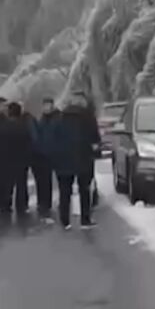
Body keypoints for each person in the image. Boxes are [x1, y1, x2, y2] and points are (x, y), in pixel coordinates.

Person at [52, 92, 101, 230]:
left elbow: (54, 139)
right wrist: (95, 153)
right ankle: (85, 219)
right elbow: (95, 140)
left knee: (64, 191)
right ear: (83, 102)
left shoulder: (60, 118)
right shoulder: (88, 117)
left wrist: (55, 158)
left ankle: (65, 220)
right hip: (84, 159)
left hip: (63, 160)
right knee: (84, 190)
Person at [1, 102, 33, 216]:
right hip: (21, 159)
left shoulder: (4, 126)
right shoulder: (23, 126)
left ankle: (6, 205)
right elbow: (29, 142)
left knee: (7, 184)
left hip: (7, 160)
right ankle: (22, 206)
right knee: (21, 184)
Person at [32, 97, 60, 220]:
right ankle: (44, 203)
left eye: (48, 105)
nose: (46, 108)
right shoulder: (42, 119)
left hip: (57, 152)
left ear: (52, 105)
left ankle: (63, 202)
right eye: (44, 105)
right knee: (44, 180)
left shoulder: (58, 118)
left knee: (62, 179)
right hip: (43, 154)